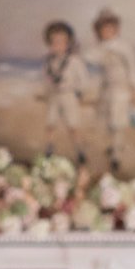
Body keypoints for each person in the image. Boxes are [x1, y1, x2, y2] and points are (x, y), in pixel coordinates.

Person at [86, 6, 135, 172]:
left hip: (121, 89)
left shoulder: (123, 47)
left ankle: (116, 155)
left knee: (118, 122)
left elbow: (132, 67)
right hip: (106, 89)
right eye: (103, 29)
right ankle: (114, 146)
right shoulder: (101, 48)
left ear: (116, 29)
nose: (107, 32)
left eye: (110, 28)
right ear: (98, 31)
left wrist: (134, 89)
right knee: (107, 121)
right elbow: (90, 58)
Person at [38, 20, 90, 165]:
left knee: (73, 125)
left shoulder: (74, 61)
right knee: (50, 123)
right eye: (54, 42)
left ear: (69, 43)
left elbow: (83, 78)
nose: (58, 46)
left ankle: (80, 150)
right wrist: (46, 92)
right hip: (54, 96)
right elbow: (45, 79)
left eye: (61, 42)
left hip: (68, 95)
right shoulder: (49, 61)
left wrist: (79, 92)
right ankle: (49, 148)